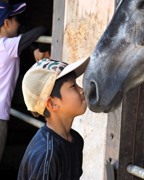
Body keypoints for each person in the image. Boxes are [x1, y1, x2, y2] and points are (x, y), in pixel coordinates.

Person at [17, 57, 90, 179]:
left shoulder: (76, 140)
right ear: (52, 104)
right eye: (73, 86)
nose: (82, 90)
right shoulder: (46, 155)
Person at [0, 1, 49, 162]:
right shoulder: (7, 45)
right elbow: (41, 30)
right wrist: (40, 48)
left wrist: (34, 48)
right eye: (16, 19)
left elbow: (23, 39)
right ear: (6, 23)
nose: (19, 23)